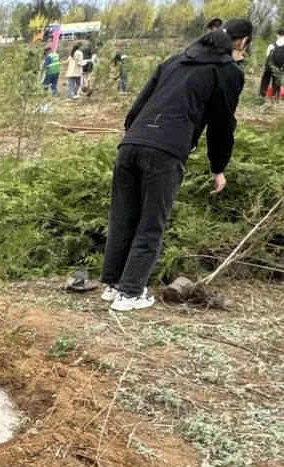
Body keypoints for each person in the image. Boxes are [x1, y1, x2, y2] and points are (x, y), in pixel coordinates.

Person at [99, 19, 251, 312]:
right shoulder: (227, 71)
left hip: (131, 144)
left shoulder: (174, 61)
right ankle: (130, 294)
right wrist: (218, 168)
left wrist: (134, 136)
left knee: (123, 216)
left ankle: (114, 284)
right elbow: (223, 124)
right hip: (166, 151)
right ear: (241, 42)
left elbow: (138, 106)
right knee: (151, 222)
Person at [259, 27, 284, 99]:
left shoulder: (272, 46)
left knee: (265, 82)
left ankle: (261, 97)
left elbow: (267, 55)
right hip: (279, 68)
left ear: (278, 35)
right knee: (276, 84)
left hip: (269, 68)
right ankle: (275, 99)